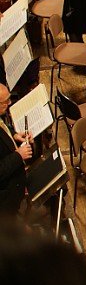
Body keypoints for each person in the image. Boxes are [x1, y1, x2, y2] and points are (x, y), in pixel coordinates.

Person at [0, 84, 32, 215]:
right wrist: (18, 156)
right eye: (5, 101)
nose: (10, 102)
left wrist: (13, 135)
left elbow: (2, 127)